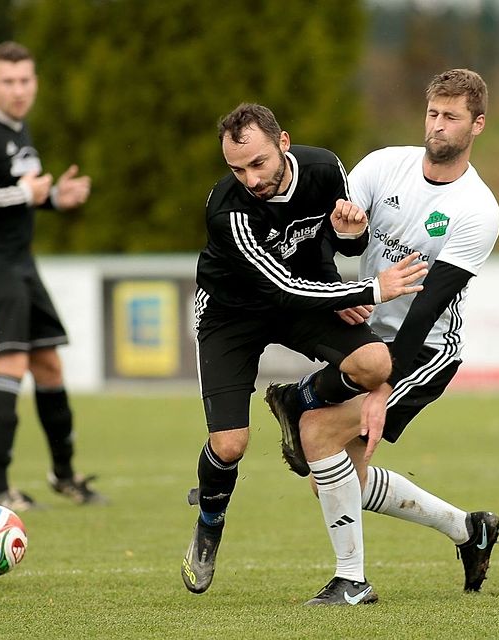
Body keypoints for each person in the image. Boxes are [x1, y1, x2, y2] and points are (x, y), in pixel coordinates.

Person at [265, 69, 499, 605]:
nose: (437, 127)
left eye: (452, 118)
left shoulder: (478, 210)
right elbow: (337, 248)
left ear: (477, 125)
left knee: (320, 436)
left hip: (424, 348)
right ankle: (470, 529)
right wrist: (349, 245)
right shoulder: (381, 166)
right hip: (369, 333)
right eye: (433, 114)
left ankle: (352, 582)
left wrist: (378, 388)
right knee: (333, 473)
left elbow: (427, 307)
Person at [182, 103, 429, 596]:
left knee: (376, 364)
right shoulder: (226, 208)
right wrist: (366, 292)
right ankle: (210, 520)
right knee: (230, 445)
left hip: (303, 295)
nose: (250, 179)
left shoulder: (325, 168)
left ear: (284, 144)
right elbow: (282, 289)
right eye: (237, 168)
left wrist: (349, 234)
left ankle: (300, 400)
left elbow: (342, 248)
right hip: (232, 313)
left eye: (258, 164)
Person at [0, 41, 103, 511]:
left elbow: (19, 193)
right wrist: (22, 194)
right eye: (8, 81)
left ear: (34, 82)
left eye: (25, 80)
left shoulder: (18, 127)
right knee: (8, 364)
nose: (18, 89)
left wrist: (53, 198)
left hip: (19, 263)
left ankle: (65, 475)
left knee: (48, 363)